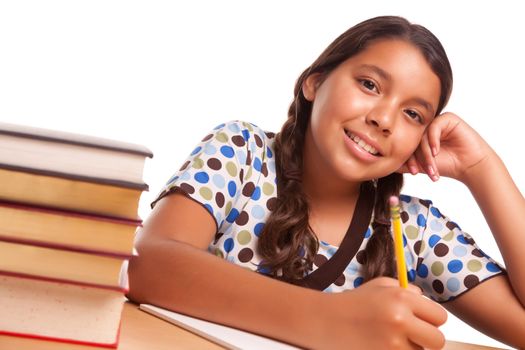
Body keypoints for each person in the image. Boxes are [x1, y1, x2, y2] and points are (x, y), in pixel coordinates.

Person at [126, 16, 525, 349]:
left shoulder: (413, 230)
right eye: (369, 85)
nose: (384, 119)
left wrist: (483, 169)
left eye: (413, 115)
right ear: (314, 83)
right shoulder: (241, 152)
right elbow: (149, 264)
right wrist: (332, 320)